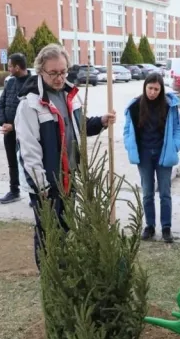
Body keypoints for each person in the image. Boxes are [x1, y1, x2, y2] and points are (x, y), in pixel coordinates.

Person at [15, 44, 116, 269]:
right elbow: (29, 150)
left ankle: (62, 270)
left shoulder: (70, 96)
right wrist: (40, 185)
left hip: (69, 178)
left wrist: (100, 122)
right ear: (40, 71)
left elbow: (79, 126)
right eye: (54, 73)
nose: (60, 78)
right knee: (47, 231)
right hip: (47, 183)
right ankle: (49, 275)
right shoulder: (30, 105)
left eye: (63, 72)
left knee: (65, 226)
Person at [123, 73, 180, 243]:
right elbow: (127, 129)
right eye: (150, 88)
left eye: (156, 89)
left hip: (164, 154)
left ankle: (166, 227)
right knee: (147, 193)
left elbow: (178, 129)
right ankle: (149, 226)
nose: (153, 92)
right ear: (145, 87)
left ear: (161, 89)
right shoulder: (135, 106)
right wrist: (129, 145)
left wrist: (175, 146)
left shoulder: (169, 105)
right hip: (144, 155)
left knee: (165, 193)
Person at [0, 53, 32, 204]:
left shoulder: (33, 83)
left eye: (10, 66)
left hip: (25, 132)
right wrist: (3, 123)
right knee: (12, 162)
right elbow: (1, 103)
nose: (8, 68)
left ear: (17, 67)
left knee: (30, 163)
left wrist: (14, 126)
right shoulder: (10, 82)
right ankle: (14, 191)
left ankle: (35, 195)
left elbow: (31, 111)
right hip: (9, 132)